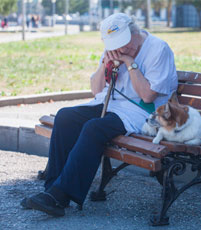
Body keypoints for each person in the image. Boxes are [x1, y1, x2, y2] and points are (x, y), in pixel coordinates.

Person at [21, 13, 178, 217]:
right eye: (116, 45)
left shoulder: (158, 49)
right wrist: (106, 65)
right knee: (65, 117)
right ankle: (51, 191)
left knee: (94, 128)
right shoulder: (113, 49)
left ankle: (60, 196)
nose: (121, 49)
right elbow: (96, 91)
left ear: (135, 32)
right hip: (110, 104)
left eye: (125, 44)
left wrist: (130, 63)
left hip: (142, 113)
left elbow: (148, 96)